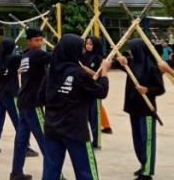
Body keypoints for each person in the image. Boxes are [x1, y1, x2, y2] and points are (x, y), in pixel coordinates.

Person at [39, 34, 111, 180]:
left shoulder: (50, 72)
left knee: (50, 171)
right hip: (76, 130)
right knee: (85, 171)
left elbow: (41, 98)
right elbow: (101, 92)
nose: (83, 51)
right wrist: (104, 73)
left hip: (52, 127)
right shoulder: (78, 74)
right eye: (81, 47)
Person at [116, 39, 165, 180]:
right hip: (133, 108)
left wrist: (147, 89)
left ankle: (147, 172)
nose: (130, 52)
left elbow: (160, 89)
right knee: (137, 140)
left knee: (147, 141)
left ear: (139, 50)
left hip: (146, 110)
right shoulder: (131, 63)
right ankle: (144, 164)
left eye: (132, 49)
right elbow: (115, 62)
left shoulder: (152, 67)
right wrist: (121, 60)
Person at [10, 27, 51, 180]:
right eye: (36, 40)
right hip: (33, 104)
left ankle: (16, 173)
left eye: (41, 40)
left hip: (23, 102)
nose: (40, 43)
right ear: (29, 41)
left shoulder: (26, 55)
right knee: (47, 141)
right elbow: (55, 57)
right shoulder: (36, 54)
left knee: (21, 140)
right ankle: (54, 175)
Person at [0, 38, 37, 158]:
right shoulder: (11, 59)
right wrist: (31, 47)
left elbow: (8, 71)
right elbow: (27, 56)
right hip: (10, 93)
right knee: (19, 120)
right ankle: (25, 147)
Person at [80, 36, 104, 149]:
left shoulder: (99, 58)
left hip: (95, 89)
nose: (88, 46)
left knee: (95, 117)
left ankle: (97, 141)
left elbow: (98, 74)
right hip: (84, 89)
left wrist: (84, 68)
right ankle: (87, 139)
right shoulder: (83, 56)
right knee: (86, 116)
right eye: (87, 44)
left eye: (91, 44)